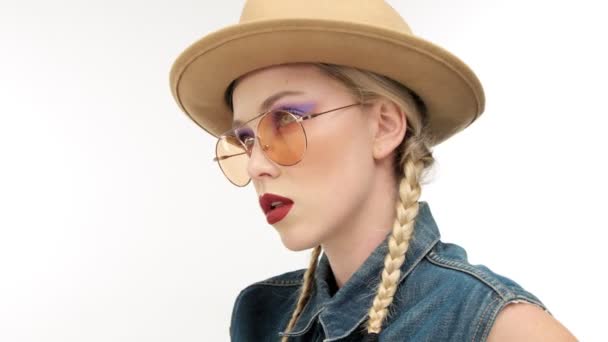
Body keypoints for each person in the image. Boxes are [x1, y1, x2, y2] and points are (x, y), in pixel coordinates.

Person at [169, 0, 577, 341]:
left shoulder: (498, 328)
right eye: (246, 139)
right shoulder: (262, 315)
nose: (258, 165)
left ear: (384, 126)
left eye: (286, 121)